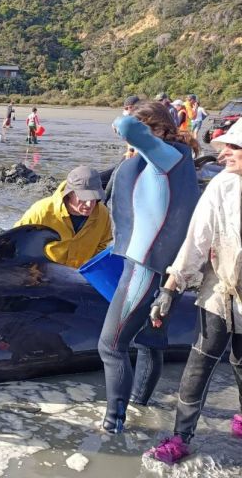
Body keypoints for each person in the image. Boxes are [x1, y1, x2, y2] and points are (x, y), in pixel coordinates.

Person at [144, 119, 242, 464]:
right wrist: (172, 287)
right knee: (199, 364)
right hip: (221, 290)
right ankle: (180, 437)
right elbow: (197, 241)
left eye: (234, 147)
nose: (224, 151)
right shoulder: (222, 186)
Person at [99, 101, 200, 434]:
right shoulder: (174, 159)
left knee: (111, 346)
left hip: (145, 267)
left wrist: (129, 123)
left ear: (159, 130)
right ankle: (139, 405)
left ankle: (113, 425)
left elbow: (126, 127)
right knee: (149, 340)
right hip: (164, 271)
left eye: (146, 129)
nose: (135, 137)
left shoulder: (165, 157)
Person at [15, 166, 112, 268]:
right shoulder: (41, 211)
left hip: (77, 276)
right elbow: (17, 242)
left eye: (94, 198)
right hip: (42, 273)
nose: (89, 204)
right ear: (70, 193)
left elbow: (103, 245)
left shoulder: (102, 213)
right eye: (84, 198)